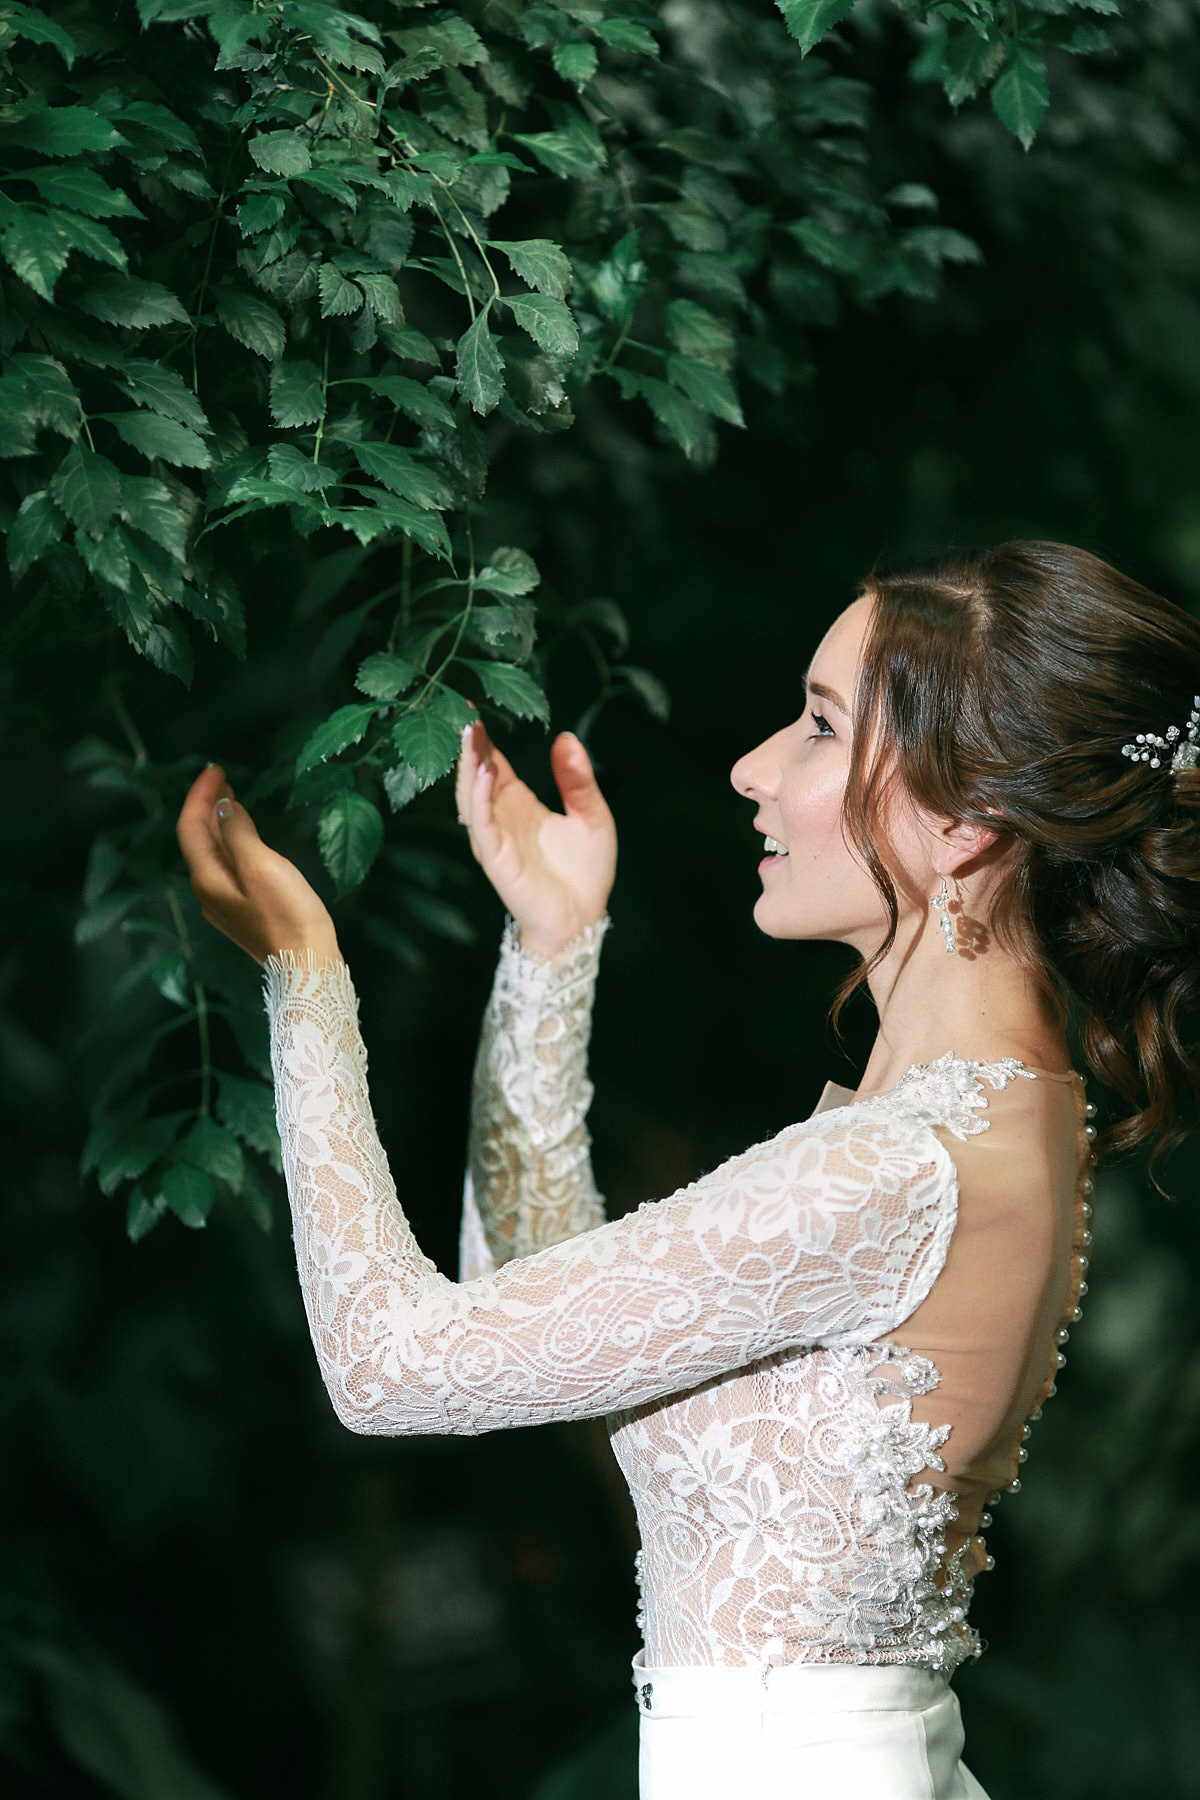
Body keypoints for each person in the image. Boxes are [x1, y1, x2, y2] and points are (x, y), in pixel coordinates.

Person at [176, 538, 1200, 1799]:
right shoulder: (984, 1123)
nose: (753, 767)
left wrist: (304, 979)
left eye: (821, 729)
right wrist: (552, 952)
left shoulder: (901, 1169)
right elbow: (562, 1331)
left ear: (968, 817)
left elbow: (391, 1370)